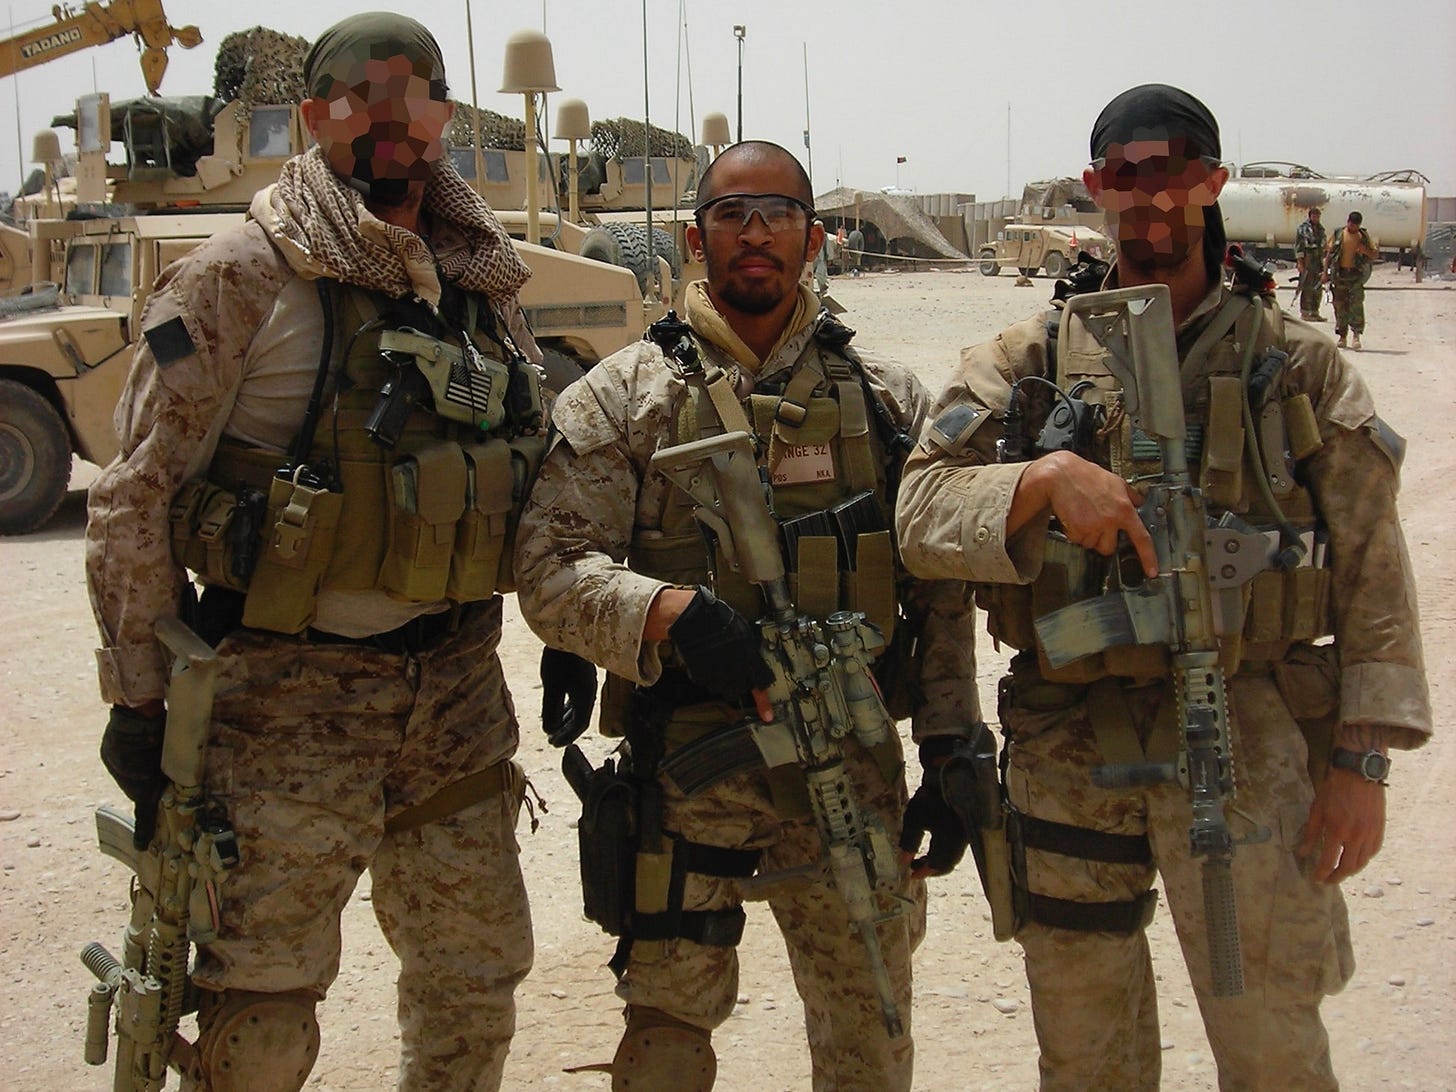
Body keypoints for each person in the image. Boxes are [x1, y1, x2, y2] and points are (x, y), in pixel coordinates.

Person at [896, 84, 1429, 1091]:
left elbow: (1372, 565)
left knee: (1272, 1045)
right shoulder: (1028, 359)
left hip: (1248, 730)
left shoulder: (1294, 364)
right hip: (1068, 738)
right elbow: (919, 514)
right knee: (1085, 1052)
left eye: (1171, 170)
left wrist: (1361, 761)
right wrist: (1040, 481)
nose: (1148, 194)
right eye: (1123, 174)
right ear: (1095, 188)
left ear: (1211, 182)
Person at [86, 14, 542, 1090]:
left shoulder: (480, 279)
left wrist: (566, 630)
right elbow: (134, 496)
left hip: (456, 697)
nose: (386, 118)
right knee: (260, 1023)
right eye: (355, 96)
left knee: (474, 984)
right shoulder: (238, 277)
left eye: (412, 96)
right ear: (310, 116)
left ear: (443, 116)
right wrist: (138, 700)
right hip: (284, 706)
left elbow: (532, 464)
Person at [514, 140, 981, 1091]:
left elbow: (937, 591)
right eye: (732, 214)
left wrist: (950, 746)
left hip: (850, 760)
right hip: (689, 766)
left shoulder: (885, 398)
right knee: (667, 1040)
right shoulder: (626, 396)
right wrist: (672, 614)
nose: (755, 232)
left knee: (869, 1033)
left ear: (815, 238)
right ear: (697, 240)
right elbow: (550, 570)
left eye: (778, 213)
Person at [1325, 210, 1379, 348]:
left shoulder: (1363, 236)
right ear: (1348, 222)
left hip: (1355, 275)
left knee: (1356, 306)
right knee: (1340, 306)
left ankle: (1356, 336)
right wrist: (1325, 273)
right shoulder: (1339, 234)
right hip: (1340, 275)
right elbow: (1329, 254)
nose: (1353, 227)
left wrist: (1364, 250)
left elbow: (1374, 254)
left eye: (1356, 225)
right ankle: (1342, 336)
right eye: (1351, 224)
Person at [1294, 206, 1327, 320]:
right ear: (1310, 216)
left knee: (1317, 287)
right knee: (1307, 287)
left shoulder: (1321, 229)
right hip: (1307, 260)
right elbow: (1299, 247)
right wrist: (1300, 263)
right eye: (1314, 216)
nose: (1316, 218)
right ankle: (1305, 312)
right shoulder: (1303, 229)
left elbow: (1324, 246)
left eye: (1317, 216)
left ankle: (1314, 312)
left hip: (1318, 261)